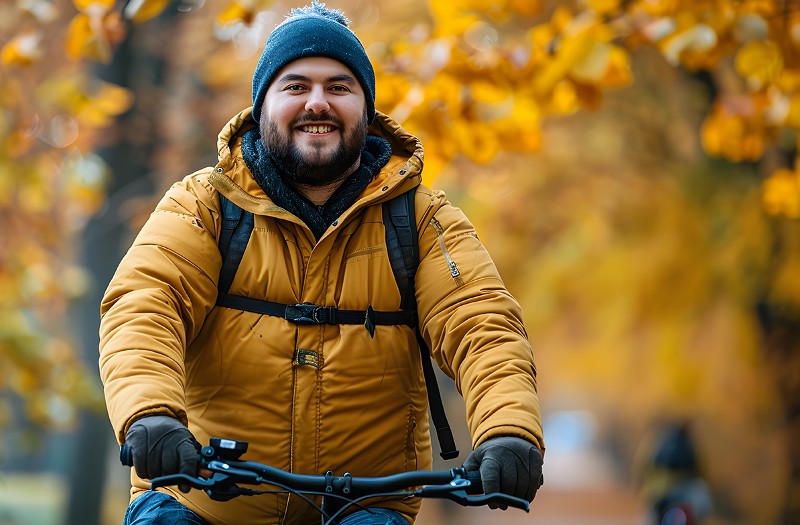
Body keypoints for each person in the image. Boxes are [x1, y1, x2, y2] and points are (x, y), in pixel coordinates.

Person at [99, 2, 544, 524]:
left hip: (362, 506)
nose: (318, 103)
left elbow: (482, 325)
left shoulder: (423, 220)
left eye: (339, 87)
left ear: (366, 107)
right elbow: (144, 308)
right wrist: (151, 416)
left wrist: (508, 429)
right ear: (262, 104)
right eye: (295, 86)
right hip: (200, 501)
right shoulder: (202, 206)